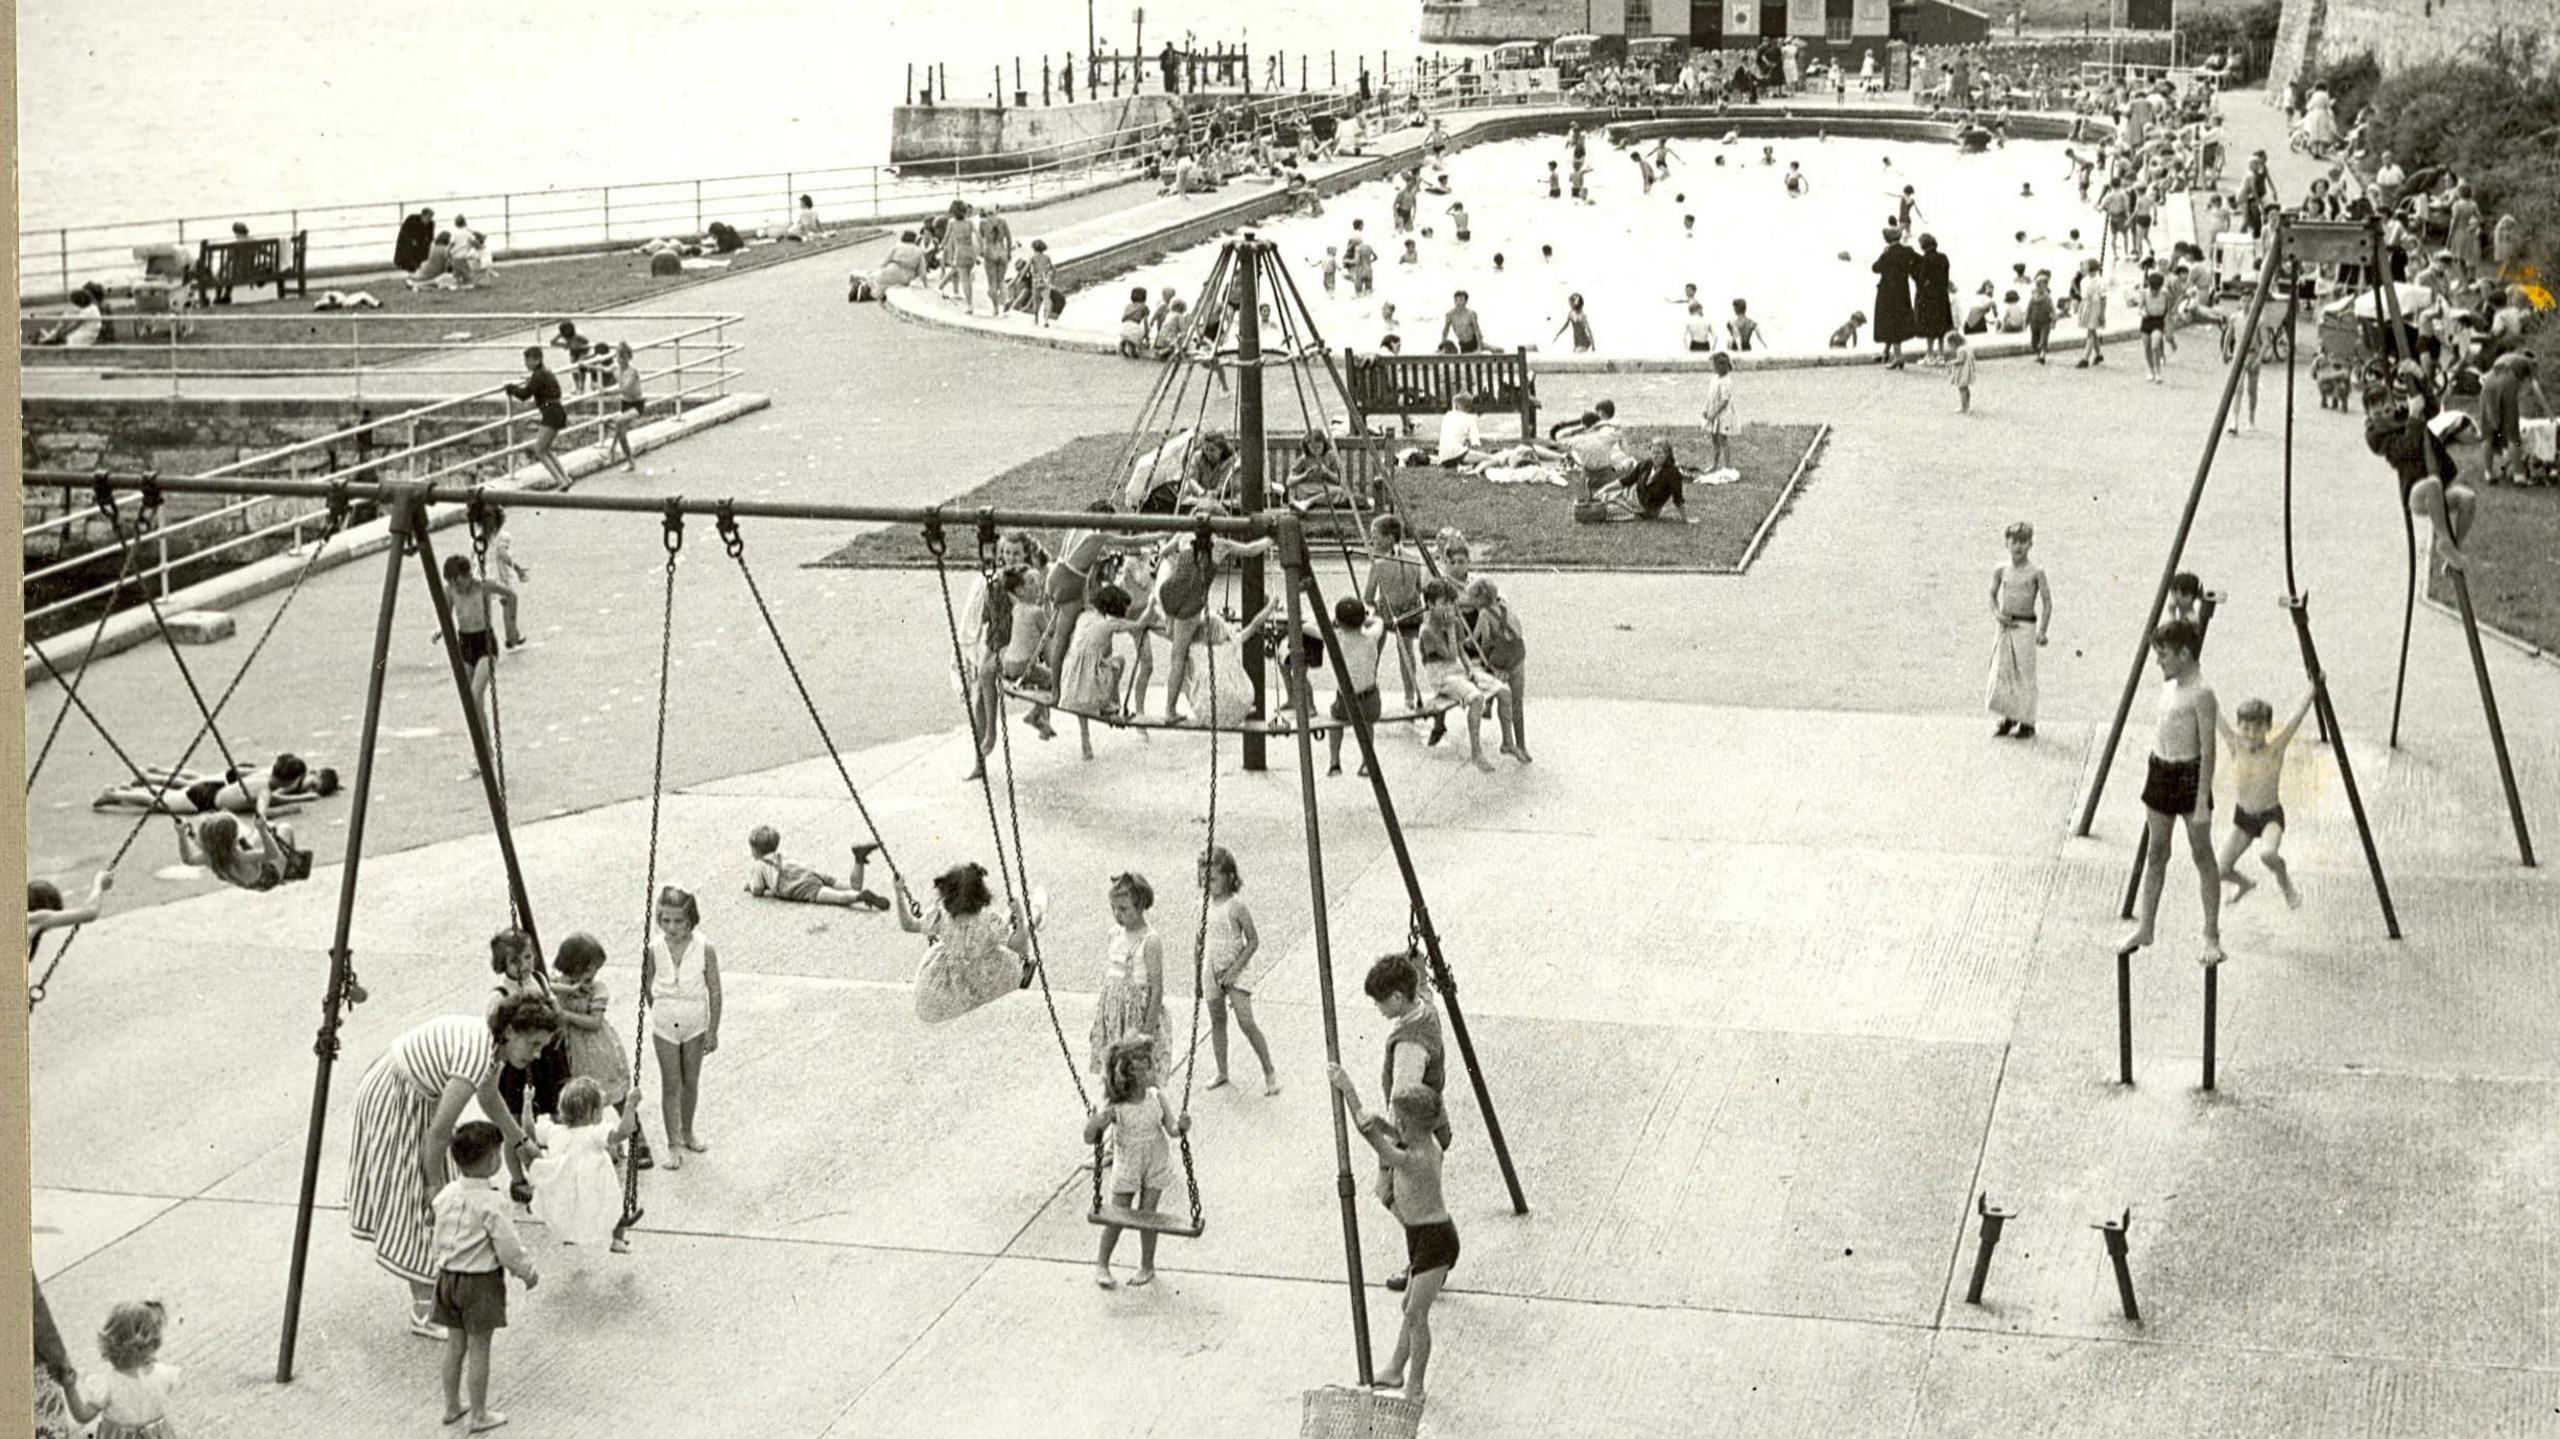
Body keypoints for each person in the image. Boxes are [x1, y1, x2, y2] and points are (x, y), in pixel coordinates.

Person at [344, 996, 560, 1339]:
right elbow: (439, 1133)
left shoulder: (491, 1048)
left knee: (434, 1196)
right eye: (533, 1044)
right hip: (396, 1096)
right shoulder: (478, 1055)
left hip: (412, 1093)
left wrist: (522, 1143)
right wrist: (432, 1190)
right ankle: (423, 1310)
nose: (535, 1054)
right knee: (416, 1202)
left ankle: (430, 1297)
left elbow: (488, 1098)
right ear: (511, 1031)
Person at [1325, 1062, 1456, 1402]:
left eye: (1397, 1120)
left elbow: (1373, 1138)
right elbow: (1392, 1133)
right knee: (1409, 1307)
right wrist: (1386, 1123)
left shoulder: (1417, 1159)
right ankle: (1397, 1367)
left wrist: (1349, 1090)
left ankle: (1416, 1384)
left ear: (1406, 1124)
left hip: (1436, 1240)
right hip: (1422, 1236)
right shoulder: (1423, 1143)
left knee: (1416, 1313)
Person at [428, 1121, 541, 1433]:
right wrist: (526, 1271)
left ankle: (452, 1405)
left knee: (455, 1345)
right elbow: (507, 1248)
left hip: (447, 1277)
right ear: (493, 1160)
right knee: (480, 1349)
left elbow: (437, 1231)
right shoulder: (492, 1202)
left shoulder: (447, 1194)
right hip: (480, 1284)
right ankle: (479, 1414)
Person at [2121, 620, 2223, 964]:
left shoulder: (2202, 693)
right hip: (2161, 771)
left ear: (2184, 654)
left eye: (2163, 656)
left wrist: (2201, 802)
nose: (2158, 662)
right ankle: (2146, 925)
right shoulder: (2170, 685)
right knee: (2156, 853)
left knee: (2202, 855)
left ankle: (2211, 933)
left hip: (2189, 775)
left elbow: (2208, 750)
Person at [1084, 1036, 1191, 1288]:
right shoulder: (1116, 1107)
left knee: (1148, 1215)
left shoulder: (1156, 1096)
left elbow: (1172, 1129)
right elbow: (1089, 1138)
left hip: (1155, 1160)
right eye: (1149, 1067)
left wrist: (1182, 1127)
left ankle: (1147, 1265)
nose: (1155, 1070)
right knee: (1118, 1216)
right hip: (1128, 1163)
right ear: (1131, 1075)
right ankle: (1102, 1264)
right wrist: (1096, 1123)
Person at [547, 931, 646, 1172]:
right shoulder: (558, 985)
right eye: (589, 969)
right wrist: (567, 989)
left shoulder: (597, 989)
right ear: (573, 966)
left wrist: (566, 1015)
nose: (593, 975)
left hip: (597, 1050)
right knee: (586, 1102)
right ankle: (599, 1144)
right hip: (572, 1054)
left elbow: (595, 1023)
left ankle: (638, 1139)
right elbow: (543, 985)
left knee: (617, 1096)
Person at [485, 928, 567, 1202]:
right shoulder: (499, 994)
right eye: (516, 961)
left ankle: (559, 1163)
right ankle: (518, 1179)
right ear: (503, 965)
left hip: (543, 1060)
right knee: (516, 1122)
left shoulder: (539, 980)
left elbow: (554, 1009)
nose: (525, 966)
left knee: (556, 1111)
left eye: (529, 957)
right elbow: (494, 1029)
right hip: (514, 1068)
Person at [641, 886, 720, 1169]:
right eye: (665, 920)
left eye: (679, 921)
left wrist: (712, 1030)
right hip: (665, 1024)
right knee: (670, 1084)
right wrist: (659, 1010)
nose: (672, 927)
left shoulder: (704, 948)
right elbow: (647, 985)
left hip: (695, 1023)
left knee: (691, 1082)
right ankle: (672, 1142)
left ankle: (687, 1131)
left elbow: (715, 990)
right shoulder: (654, 949)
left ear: (691, 920)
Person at [2218, 690, 2313, 910]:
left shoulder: (2275, 750)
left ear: (2268, 728)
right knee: (2220, 870)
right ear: (2238, 726)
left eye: (2258, 728)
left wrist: (2312, 690)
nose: (2251, 734)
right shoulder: (2235, 746)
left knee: (2267, 854)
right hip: (2243, 819)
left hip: (2270, 816)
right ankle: (2244, 884)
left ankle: (2286, 885)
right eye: (2246, 728)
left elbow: (2295, 719)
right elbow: (2216, 715)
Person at [527, 1076, 638, 1253]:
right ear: (593, 1113)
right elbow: (623, 1132)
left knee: (571, 1209)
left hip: (567, 1192)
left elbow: (529, 1131)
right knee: (615, 1207)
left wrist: (527, 1103)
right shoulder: (595, 1132)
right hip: (596, 1189)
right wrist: (630, 1105)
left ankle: (569, 1233)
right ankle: (618, 1239)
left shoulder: (554, 1132)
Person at [1418, 580, 1512, 771]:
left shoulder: (1453, 623)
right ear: (1430, 605)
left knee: (1504, 691)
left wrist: (1470, 670)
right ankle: (1476, 753)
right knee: (1476, 698)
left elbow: (1460, 653)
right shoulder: (1428, 631)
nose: (1449, 608)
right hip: (1442, 677)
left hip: (1458, 671)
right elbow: (1450, 655)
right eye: (1444, 603)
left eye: (1452, 603)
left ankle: (1508, 742)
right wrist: (1451, 627)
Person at [1087, 870, 1169, 1083]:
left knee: (1138, 1077)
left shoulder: (1149, 941)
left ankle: (1146, 1112)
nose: (1117, 914)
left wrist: (1146, 1033)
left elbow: (1156, 988)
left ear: (1140, 906)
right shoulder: (1114, 934)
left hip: (1135, 1018)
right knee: (1114, 1074)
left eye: (1123, 909)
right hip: (1114, 1016)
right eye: (1113, 908)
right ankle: (1118, 1110)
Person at [65, 1299, 181, 1439]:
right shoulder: (160, 1375)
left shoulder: (109, 1384)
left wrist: (69, 1388)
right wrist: (69, 1388)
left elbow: (83, 1416)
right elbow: (83, 1416)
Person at [439, 555, 511, 770]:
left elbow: (510, 595)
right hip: (465, 643)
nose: (457, 588)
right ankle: (483, 748)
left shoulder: (483, 587)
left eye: (459, 582)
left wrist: (511, 624)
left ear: (468, 575)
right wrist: (441, 631)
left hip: (485, 643)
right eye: (452, 584)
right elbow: (446, 615)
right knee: (470, 702)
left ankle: (485, 750)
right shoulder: (450, 591)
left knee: (476, 693)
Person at [1986, 521, 2051, 739]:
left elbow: (2047, 602)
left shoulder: (2036, 572)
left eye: (2024, 542)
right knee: (2004, 672)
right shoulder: (2001, 570)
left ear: (2030, 544)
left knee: (2025, 675)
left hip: (2026, 626)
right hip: (2005, 625)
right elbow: (1992, 595)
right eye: (2014, 542)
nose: (2018, 547)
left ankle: (2027, 722)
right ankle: (2008, 717)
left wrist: (2042, 631)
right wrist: (1997, 614)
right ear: (2007, 543)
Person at [92, 753, 320, 814]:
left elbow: (270, 799)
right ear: (288, 781)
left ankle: (125, 791)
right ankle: (115, 794)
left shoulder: (266, 778)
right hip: (205, 799)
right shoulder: (264, 790)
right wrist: (289, 809)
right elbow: (263, 813)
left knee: (169, 794)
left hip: (212, 791)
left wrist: (298, 798)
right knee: (160, 803)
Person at [1362, 515, 1429, 716]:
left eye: (1376, 537)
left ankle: (1366, 692)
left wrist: (1376, 607)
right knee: (1406, 654)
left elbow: (1367, 596)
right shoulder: (1414, 560)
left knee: (1374, 652)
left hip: (1388, 612)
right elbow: (1420, 589)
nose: (1373, 542)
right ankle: (1409, 697)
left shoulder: (1379, 564)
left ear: (1390, 538)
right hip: (1409, 612)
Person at [745, 825, 890, 909]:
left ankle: (860, 897)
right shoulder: (779, 856)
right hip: (810, 872)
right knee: (853, 886)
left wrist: (750, 885)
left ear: (756, 850)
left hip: (799, 884)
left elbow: (757, 889)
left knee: (839, 897)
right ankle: (859, 859)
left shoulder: (759, 864)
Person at [1466, 578, 1532, 760]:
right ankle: (1521, 746)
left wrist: (1475, 648)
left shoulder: (1484, 615)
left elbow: (1484, 642)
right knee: (1517, 702)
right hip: (1518, 654)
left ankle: (1488, 705)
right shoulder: (1505, 606)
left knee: (1492, 680)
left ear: (1480, 599)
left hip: (1502, 658)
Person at [177, 810, 308, 892]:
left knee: (267, 830)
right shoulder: (240, 856)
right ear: (233, 838)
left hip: (243, 881)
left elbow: (188, 858)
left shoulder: (209, 856)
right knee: (285, 828)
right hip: (268, 878)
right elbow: (272, 854)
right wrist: (262, 830)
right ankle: (290, 870)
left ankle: (266, 832)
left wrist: (182, 834)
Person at [503, 348, 572, 489]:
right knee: (545, 449)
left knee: (539, 450)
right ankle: (565, 478)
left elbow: (524, 395)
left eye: (528, 360)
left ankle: (561, 481)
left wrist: (511, 388)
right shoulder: (545, 373)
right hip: (556, 410)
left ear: (537, 360)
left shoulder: (538, 376)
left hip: (551, 413)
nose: (526, 363)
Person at [1871, 228, 1918, 369]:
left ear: (1887, 239)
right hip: (1903, 291)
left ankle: (1898, 357)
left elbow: (1875, 268)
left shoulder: (1888, 254)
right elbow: (1918, 262)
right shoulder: (1907, 251)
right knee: (1899, 320)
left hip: (1887, 292)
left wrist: (1883, 253)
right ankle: (1886, 352)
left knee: (1891, 322)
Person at [1912, 234, 1955, 363]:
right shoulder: (1943, 258)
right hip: (1942, 296)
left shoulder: (1925, 260)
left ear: (1923, 246)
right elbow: (1946, 277)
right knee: (1941, 326)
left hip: (1928, 297)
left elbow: (1921, 280)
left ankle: (1930, 354)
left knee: (1929, 327)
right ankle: (1941, 355)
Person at [1701, 352, 1738, 473]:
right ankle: (1714, 463)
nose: (1712, 367)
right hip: (1713, 411)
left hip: (1723, 414)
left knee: (1723, 439)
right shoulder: (1714, 379)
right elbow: (1710, 396)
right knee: (1714, 439)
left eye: (1714, 365)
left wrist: (1714, 414)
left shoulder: (1726, 381)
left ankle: (1727, 466)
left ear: (1720, 366)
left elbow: (1724, 401)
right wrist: (1706, 409)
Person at [1435, 393, 1494, 467]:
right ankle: (1472, 467)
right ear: (1469, 407)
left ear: (1456, 406)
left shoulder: (1447, 415)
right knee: (1490, 458)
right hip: (1459, 454)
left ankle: (1464, 465)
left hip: (1443, 457)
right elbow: (1475, 443)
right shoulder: (1470, 419)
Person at [2073, 260, 2108, 369]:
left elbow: (2103, 299)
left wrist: (2102, 313)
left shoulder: (2100, 282)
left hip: (2096, 306)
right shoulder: (2084, 281)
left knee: (2091, 331)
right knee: (2091, 330)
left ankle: (2085, 358)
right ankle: (2098, 354)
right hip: (2087, 305)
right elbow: (2083, 297)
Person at [395, 206, 437, 272]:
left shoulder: (431, 224)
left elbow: (431, 237)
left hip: (421, 242)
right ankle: (409, 264)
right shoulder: (412, 220)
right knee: (409, 247)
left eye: (430, 218)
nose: (429, 220)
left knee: (427, 247)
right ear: (423, 215)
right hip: (409, 241)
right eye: (427, 218)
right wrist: (412, 240)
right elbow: (405, 234)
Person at [1947, 329, 1977, 413]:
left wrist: (1951, 362)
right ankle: (1967, 405)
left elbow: (1961, 360)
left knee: (1962, 389)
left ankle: (1963, 407)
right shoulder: (1966, 347)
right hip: (1967, 371)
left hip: (1963, 373)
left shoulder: (1961, 350)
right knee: (1966, 389)